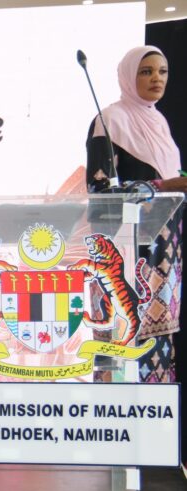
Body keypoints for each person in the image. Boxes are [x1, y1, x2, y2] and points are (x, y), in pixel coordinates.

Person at [86, 45, 186, 385]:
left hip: (163, 260)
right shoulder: (109, 121)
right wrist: (163, 185)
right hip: (123, 261)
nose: (157, 78)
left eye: (162, 71)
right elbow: (100, 189)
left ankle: (153, 418)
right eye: (146, 72)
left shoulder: (159, 122)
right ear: (129, 77)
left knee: (158, 354)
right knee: (119, 358)